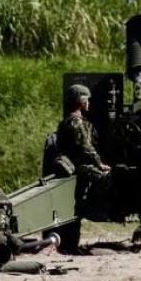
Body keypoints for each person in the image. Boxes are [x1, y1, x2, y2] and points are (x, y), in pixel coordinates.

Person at [53, 83, 111, 214]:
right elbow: (86, 147)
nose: (89, 103)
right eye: (87, 100)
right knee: (108, 179)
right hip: (78, 165)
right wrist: (100, 164)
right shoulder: (77, 122)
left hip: (73, 164)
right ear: (81, 102)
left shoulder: (68, 120)